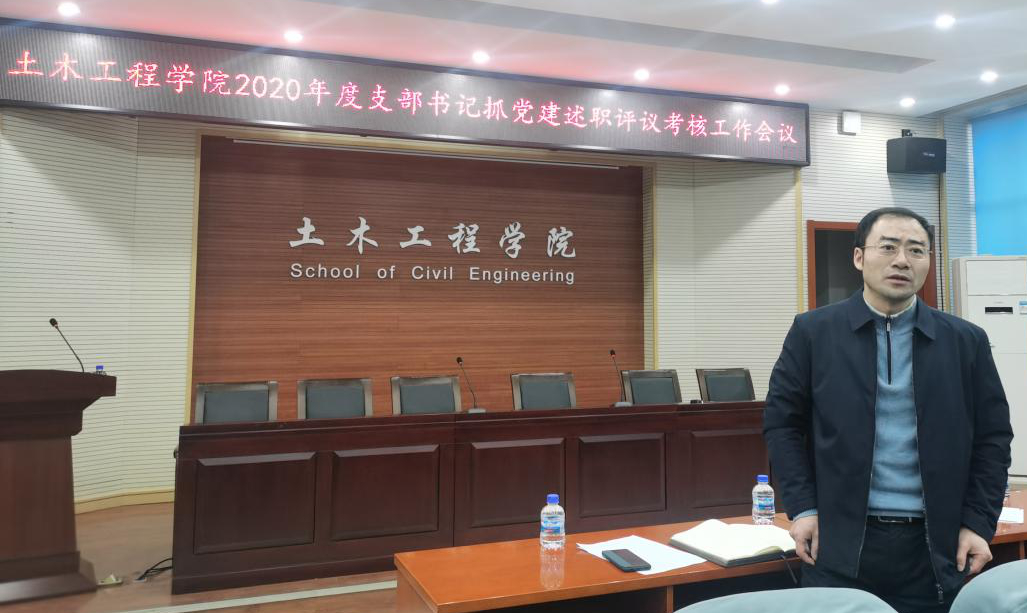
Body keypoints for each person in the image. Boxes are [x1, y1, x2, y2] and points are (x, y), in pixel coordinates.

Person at [764, 207, 1013, 612]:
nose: (902, 260)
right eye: (889, 247)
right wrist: (803, 508)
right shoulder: (814, 332)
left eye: (916, 250)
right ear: (859, 257)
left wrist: (978, 522)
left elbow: (993, 439)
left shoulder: (965, 341)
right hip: (838, 540)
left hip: (935, 546)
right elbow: (782, 425)